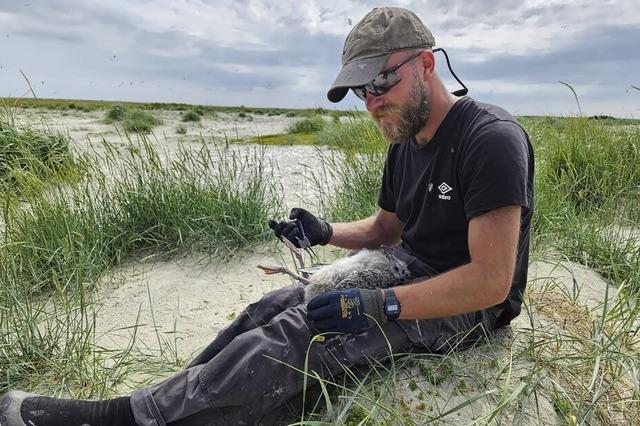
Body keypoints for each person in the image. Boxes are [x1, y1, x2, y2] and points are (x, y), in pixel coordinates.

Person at [0, 6, 534, 426]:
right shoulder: (405, 141)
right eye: (360, 91)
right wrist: (323, 232)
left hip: (469, 308)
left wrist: (379, 305)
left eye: (381, 83)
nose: (371, 103)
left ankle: (123, 419)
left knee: (304, 336)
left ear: (425, 64)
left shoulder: (489, 138)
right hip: (407, 273)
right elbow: (386, 231)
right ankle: (168, 399)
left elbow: (490, 282)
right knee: (269, 309)